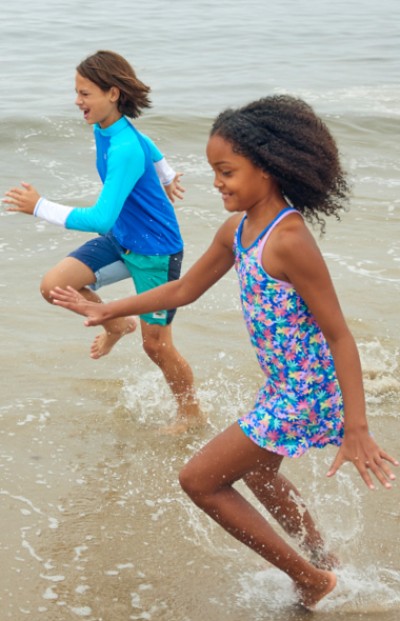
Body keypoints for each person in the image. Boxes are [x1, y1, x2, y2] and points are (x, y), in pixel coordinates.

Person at [48, 95, 398, 609]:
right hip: (284, 385)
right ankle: (325, 560)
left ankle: (312, 581)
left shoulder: (290, 238)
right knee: (257, 474)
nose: (216, 182)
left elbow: (340, 335)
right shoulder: (236, 230)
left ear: (270, 169)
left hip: (305, 389)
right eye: (214, 170)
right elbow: (183, 290)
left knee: (200, 479)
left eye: (227, 171)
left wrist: (358, 428)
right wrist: (107, 308)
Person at [3, 50, 203, 434]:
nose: (77, 101)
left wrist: (39, 206)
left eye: (85, 93)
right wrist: (166, 172)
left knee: (157, 347)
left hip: (155, 250)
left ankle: (191, 412)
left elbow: (101, 217)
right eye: (76, 92)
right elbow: (146, 143)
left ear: (112, 92)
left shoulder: (124, 146)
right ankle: (116, 325)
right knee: (54, 286)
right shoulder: (109, 126)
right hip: (122, 238)